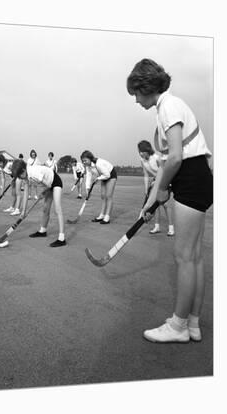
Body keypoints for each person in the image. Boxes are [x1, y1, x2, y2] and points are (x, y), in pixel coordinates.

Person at [128, 58, 213, 343]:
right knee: (195, 257)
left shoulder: (168, 106)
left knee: (184, 257)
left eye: (136, 93)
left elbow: (175, 157)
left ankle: (177, 327)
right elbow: (164, 166)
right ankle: (192, 324)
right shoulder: (167, 108)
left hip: (190, 176)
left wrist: (163, 190)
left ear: (145, 86)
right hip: (195, 176)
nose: (136, 100)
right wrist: (150, 203)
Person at [11, 159, 66, 247]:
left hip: (55, 182)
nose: (20, 178)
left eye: (20, 176)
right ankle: (43, 231)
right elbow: (26, 193)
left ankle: (62, 238)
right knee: (45, 209)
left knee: (57, 209)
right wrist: (23, 211)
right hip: (48, 184)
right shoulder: (26, 176)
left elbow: (49, 185)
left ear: (24, 170)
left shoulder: (34, 173)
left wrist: (43, 193)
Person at [137, 140, 174, 236]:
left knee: (165, 204)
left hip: (165, 180)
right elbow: (145, 175)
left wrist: (157, 182)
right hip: (154, 182)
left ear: (147, 150)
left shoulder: (157, 158)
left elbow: (164, 172)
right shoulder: (142, 160)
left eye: (142, 151)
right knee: (155, 206)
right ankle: (157, 227)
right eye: (139, 152)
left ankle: (171, 228)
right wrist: (146, 189)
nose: (140, 153)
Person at [80, 150, 117, 224]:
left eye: (85, 160)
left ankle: (107, 217)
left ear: (90, 158)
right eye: (82, 161)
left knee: (108, 196)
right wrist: (88, 189)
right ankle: (102, 215)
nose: (84, 162)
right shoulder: (88, 166)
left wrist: (97, 179)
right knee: (103, 196)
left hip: (110, 174)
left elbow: (107, 175)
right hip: (102, 176)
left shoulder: (98, 163)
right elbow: (88, 177)